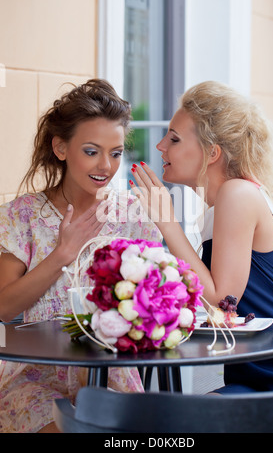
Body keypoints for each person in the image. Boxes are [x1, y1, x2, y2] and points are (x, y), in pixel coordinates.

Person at [0, 79, 161, 433]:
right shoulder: (21, 216)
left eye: (116, 153)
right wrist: (63, 253)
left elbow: (155, 300)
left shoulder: (132, 215)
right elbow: (4, 307)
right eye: (91, 151)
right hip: (31, 376)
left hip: (110, 373)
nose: (105, 165)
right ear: (60, 148)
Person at [130, 80, 273, 394]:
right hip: (255, 382)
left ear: (212, 153)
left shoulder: (237, 194)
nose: (160, 146)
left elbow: (222, 302)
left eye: (174, 138)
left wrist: (167, 222)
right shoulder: (224, 202)